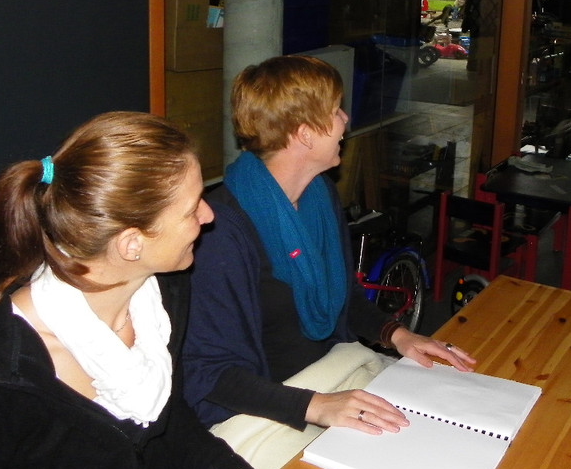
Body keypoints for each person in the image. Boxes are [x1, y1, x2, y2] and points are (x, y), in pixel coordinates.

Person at [0, 112, 308, 469]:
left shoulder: (161, 297)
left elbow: (163, 414)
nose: (208, 214)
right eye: (191, 208)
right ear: (131, 245)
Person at [183, 56, 474, 435]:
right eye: (336, 110)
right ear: (305, 134)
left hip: (332, 376)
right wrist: (317, 406)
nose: (345, 119)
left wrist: (397, 335)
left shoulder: (319, 197)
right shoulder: (218, 232)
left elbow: (343, 297)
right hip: (265, 410)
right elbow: (208, 373)